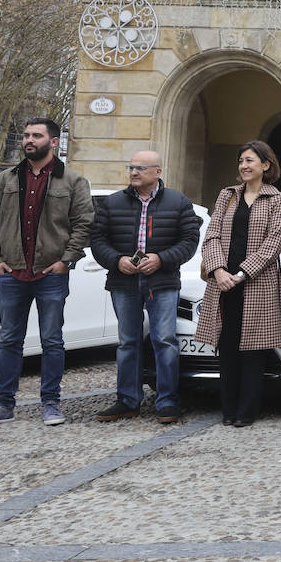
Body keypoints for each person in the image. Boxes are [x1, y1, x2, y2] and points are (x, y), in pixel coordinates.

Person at [0, 118, 94, 430]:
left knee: (52, 340)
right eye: (25, 135)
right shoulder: (7, 178)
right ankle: (2, 404)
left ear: (53, 141)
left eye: (36, 135)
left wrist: (66, 261)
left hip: (51, 273)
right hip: (11, 272)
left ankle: (50, 402)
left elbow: (84, 224)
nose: (28, 140)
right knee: (9, 340)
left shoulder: (73, 181)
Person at [91, 150, 201, 424]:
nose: (134, 172)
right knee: (128, 342)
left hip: (162, 281)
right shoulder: (113, 203)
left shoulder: (178, 202)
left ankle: (167, 402)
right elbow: (97, 240)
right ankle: (127, 401)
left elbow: (189, 241)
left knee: (164, 340)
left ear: (157, 172)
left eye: (140, 167)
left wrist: (161, 259)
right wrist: (117, 261)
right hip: (123, 281)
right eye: (131, 167)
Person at [195, 141, 281, 427]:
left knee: (253, 349)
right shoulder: (227, 195)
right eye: (241, 161)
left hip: (255, 282)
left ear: (266, 165)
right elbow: (211, 236)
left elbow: (274, 242)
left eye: (250, 160)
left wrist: (243, 273)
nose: (244, 166)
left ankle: (247, 412)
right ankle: (228, 410)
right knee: (228, 346)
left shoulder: (276, 198)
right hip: (223, 283)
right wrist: (218, 270)